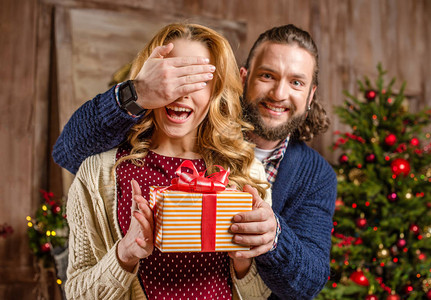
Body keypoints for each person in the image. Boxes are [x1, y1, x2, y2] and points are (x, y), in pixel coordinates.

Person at [54, 24, 337, 299]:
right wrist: (136, 92)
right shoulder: (107, 165)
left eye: (296, 82)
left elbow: (303, 284)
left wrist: (269, 240)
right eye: (267, 76)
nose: (278, 94)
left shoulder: (257, 170)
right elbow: (68, 152)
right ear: (241, 79)